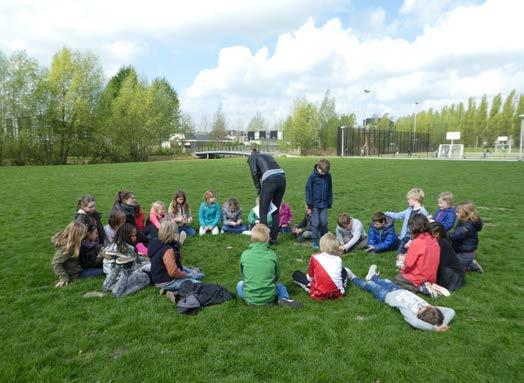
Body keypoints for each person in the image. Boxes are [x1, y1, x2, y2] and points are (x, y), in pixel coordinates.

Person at [347, 265, 455, 331]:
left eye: (424, 307)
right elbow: (451, 311)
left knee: (369, 285)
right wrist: (444, 324)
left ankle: (353, 277)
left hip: (385, 295)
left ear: (420, 315)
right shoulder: (430, 309)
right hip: (397, 289)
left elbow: (415, 323)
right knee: (385, 281)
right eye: (430, 306)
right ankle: (373, 276)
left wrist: (435, 329)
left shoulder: (410, 313)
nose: (426, 304)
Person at [237, 224, 302, 308]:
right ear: (267, 239)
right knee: (281, 286)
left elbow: (243, 275)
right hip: (269, 297)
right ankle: (283, 298)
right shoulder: (272, 255)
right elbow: (276, 276)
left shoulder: (245, 254)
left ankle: (251, 300)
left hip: (250, 296)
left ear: (251, 238)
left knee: (239, 284)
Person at [392, 214, 443, 297]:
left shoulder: (417, 242)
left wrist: (402, 268)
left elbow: (408, 264)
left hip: (419, 276)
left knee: (396, 280)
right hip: (432, 276)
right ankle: (428, 285)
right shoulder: (434, 239)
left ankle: (420, 288)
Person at [148, 221, 204, 292]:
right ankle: (171, 290)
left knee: (194, 274)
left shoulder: (155, 242)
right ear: (171, 234)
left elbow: (175, 262)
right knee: (198, 284)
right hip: (166, 281)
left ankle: (192, 273)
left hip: (157, 277)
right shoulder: (168, 250)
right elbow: (173, 272)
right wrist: (187, 275)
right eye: (175, 231)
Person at [100, 224, 151, 297]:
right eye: (133, 236)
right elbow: (133, 265)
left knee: (144, 264)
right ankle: (117, 291)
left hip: (110, 275)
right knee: (145, 277)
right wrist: (145, 265)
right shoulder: (127, 248)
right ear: (126, 236)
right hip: (120, 276)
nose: (135, 238)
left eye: (135, 235)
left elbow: (135, 258)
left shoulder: (114, 243)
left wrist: (147, 259)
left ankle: (106, 286)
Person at [247, 149, 286, 243]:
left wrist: (259, 189)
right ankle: (274, 238)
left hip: (270, 180)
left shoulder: (252, 157)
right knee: (275, 210)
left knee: (263, 212)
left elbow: (255, 173)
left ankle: (264, 239)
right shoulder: (268, 155)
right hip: (282, 178)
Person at [292, 233, 347, 300]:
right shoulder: (338, 259)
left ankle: (312, 288)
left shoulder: (314, 257)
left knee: (296, 274)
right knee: (344, 271)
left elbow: (310, 277)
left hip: (319, 294)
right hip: (338, 294)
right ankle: (339, 288)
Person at [51, 222, 104, 287]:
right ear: (77, 235)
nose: (85, 235)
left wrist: (98, 247)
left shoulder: (72, 243)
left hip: (79, 267)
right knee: (104, 271)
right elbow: (55, 263)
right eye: (83, 234)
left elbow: (87, 246)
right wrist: (63, 278)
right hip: (75, 274)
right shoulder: (68, 248)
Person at [385, 187, 429, 262]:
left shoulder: (423, 213)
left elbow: (423, 229)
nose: (407, 201)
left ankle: (406, 269)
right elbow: (398, 215)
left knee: (412, 256)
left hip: (415, 239)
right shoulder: (409, 210)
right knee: (399, 254)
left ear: (414, 199)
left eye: (408, 199)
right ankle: (401, 267)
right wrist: (387, 213)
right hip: (405, 236)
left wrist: (413, 239)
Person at [449, 201, 484, 273]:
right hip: (461, 250)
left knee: (452, 269)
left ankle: (470, 266)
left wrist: (442, 233)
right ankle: (469, 263)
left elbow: (455, 235)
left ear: (465, 213)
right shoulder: (464, 220)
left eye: (458, 212)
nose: (456, 214)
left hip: (465, 253)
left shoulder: (467, 226)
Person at [305, 159, 333, 250]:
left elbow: (330, 189)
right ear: (318, 167)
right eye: (323, 172)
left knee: (324, 222)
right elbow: (308, 191)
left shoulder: (328, 176)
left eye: (326, 172)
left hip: (324, 204)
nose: (324, 174)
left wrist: (329, 201)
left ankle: (325, 240)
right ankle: (314, 241)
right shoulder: (312, 177)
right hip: (315, 205)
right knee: (315, 223)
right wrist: (309, 204)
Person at [430, 222, 465, 291]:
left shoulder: (442, 243)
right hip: (448, 270)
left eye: (429, 234)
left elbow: (440, 264)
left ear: (437, 234)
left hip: (453, 275)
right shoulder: (439, 242)